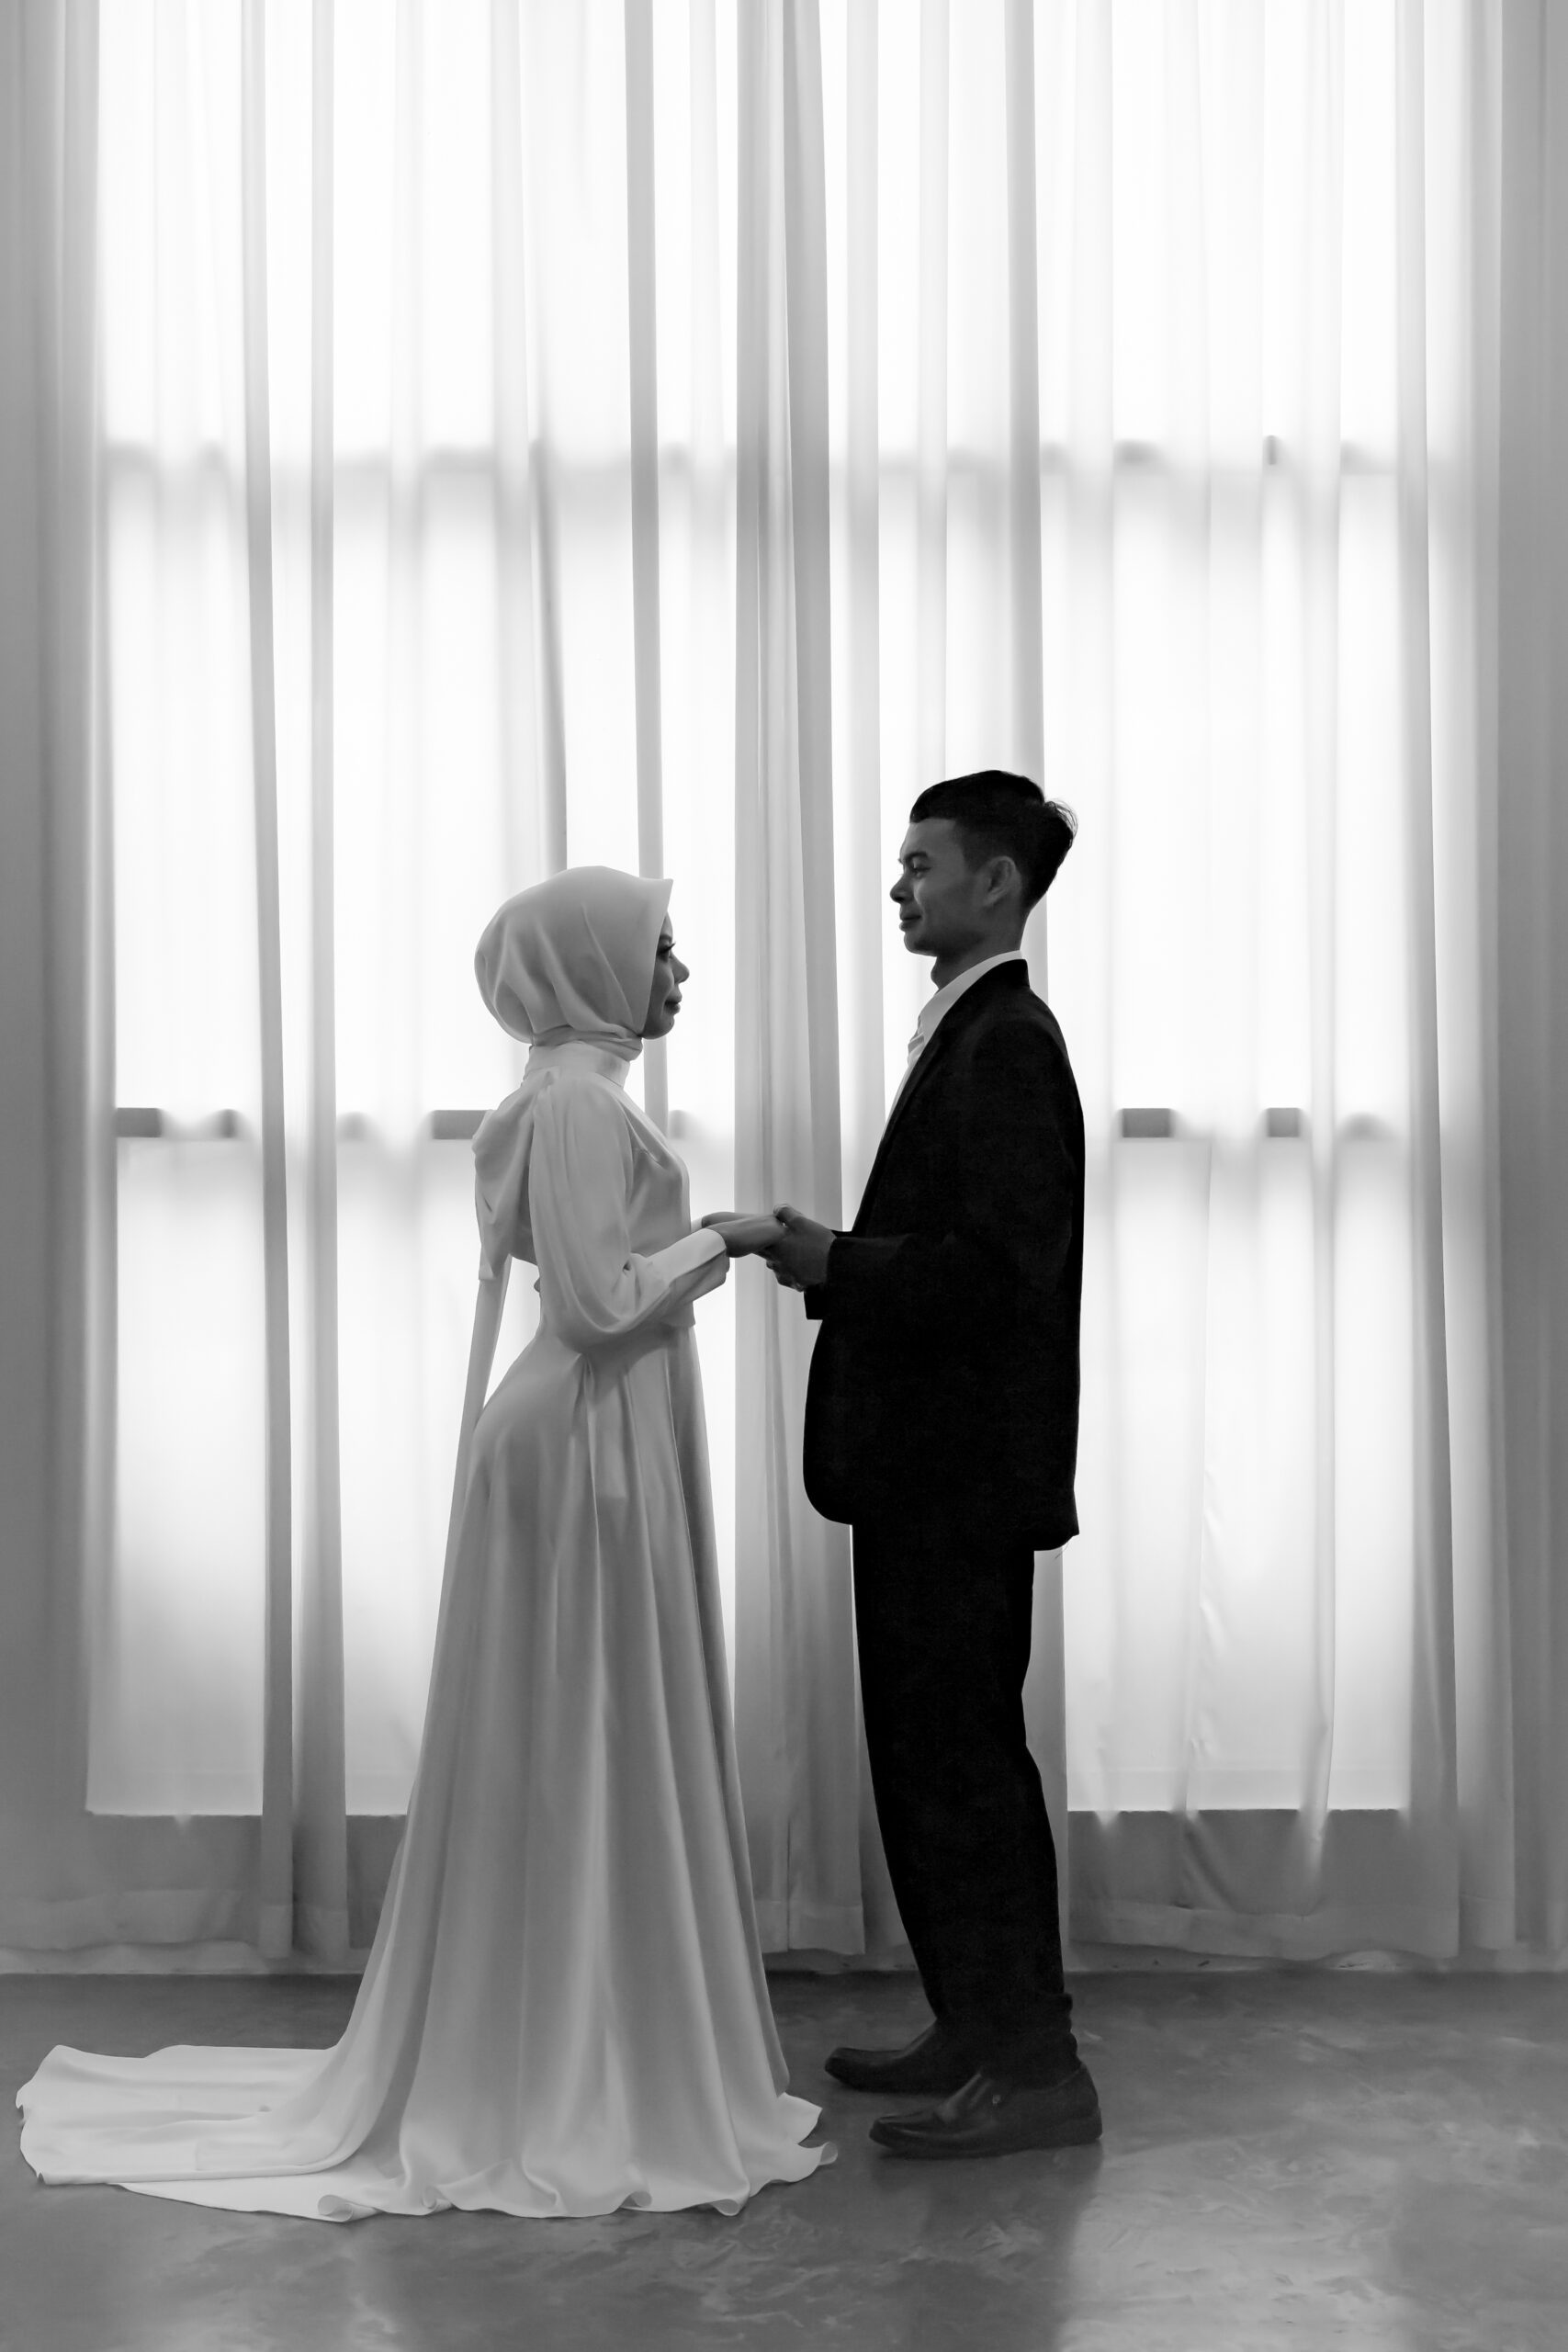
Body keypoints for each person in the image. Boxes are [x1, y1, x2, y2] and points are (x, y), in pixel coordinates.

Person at [18, 865, 831, 2220]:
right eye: (661, 951)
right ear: (590, 965)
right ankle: (577, 2062)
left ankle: (578, 2040)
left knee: (580, 1735)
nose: (681, 974)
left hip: (592, 1438)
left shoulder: (575, 1094)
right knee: (584, 1732)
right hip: (583, 1445)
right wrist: (726, 1239)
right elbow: (593, 1306)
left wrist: (700, 1242)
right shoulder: (576, 1103)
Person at [762, 770, 1100, 2160]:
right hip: (929, 1478)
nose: (898, 886)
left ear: (995, 882)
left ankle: (1036, 2070)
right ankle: (973, 2024)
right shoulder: (972, 1029)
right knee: (926, 1763)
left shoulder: (1008, 1042)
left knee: (965, 1770)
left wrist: (833, 1262)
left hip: (958, 1484)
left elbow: (1000, 1277)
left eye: (921, 863)